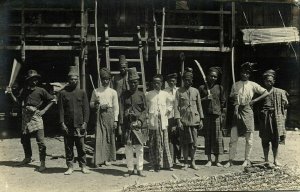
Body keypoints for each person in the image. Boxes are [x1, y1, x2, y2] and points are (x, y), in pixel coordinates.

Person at [6, 69, 56, 172]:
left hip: (36, 117)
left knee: (41, 141)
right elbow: (18, 102)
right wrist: (11, 93)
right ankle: (28, 158)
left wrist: (44, 110)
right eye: (32, 79)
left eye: (36, 79)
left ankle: (42, 163)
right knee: (24, 139)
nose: (34, 81)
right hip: (25, 117)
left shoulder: (41, 90)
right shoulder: (23, 90)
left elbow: (53, 99)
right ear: (28, 80)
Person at [224, 62, 269, 168]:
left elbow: (266, 92)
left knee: (249, 137)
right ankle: (230, 160)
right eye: (243, 72)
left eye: (247, 73)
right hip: (237, 110)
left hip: (248, 110)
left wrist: (255, 100)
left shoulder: (253, 84)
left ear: (249, 74)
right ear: (240, 73)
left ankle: (247, 160)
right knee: (233, 137)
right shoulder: (235, 84)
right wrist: (233, 97)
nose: (245, 75)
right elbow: (230, 98)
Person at [58, 66, 90, 175]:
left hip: (80, 125)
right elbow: (61, 110)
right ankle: (70, 166)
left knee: (81, 147)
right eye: (72, 79)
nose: (74, 81)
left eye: (76, 79)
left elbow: (86, 109)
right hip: (68, 125)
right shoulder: (63, 93)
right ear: (68, 80)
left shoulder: (82, 93)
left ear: (78, 80)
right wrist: (62, 123)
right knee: (68, 147)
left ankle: (83, 166)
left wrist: (85, 123)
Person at [119, 67, 147, 177]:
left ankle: (140, 169)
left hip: (139, 126)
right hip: (127, 126)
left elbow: (145, 110)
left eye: (135, 82)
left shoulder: (141, 95)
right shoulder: (123, 95)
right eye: (131, 82)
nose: (133, 84)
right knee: (128, 148)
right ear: (128, 83)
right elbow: (120, 110)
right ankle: (130, 169)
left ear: (138, 82)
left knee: (139, 148)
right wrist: (121, 124)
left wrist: (140, 120)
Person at [174, 69, 204, 170]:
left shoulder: (196, 91)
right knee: (185, 143)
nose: (188, 81)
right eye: (186, 80)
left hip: (194, 121)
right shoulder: (179, 91)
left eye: (189, 80)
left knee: (194, 144)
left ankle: (193, 162)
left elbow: (199, 106)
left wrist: (201, 119)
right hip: (184, 121)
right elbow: (176, 107)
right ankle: (186, 162)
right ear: (183, 80)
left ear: (192, 80)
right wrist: (178, 120)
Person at [258, 69, 288, 167]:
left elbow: (286, 104)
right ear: (264, 81)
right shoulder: (260, 92)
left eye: (271, 81)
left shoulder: (279, 92)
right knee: (265, 139)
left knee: (275, 139)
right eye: (267, 80)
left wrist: (282, 116)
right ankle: (266, 160)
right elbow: (256, 106)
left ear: (274, 81)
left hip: (276, 118)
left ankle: (275, 160)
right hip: (265, 118)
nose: (269, 82)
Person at [90, 68, 119, 167]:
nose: (105, 81)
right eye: (103, 79)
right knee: (99, 137)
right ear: (101, 80)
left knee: (109, 137)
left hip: (110, 115)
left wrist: (115, 120)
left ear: (110, 79)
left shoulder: (113, 92)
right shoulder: (96, 91)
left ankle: (107, 159)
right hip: (99, 115)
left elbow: (116, 107)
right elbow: (91, 104)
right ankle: (99, 159)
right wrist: (96, 104)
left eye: (107, 79)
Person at [146, 74, 174, 172]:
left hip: (163, 121)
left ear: (161, 83)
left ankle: (167, 164)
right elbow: (146, 107)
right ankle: (154, 165)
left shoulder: (165, 94)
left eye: (158, 83)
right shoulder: (148, 94)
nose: (156, 85)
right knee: (154, 143)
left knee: (164, 142)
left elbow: (171, 104)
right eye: (154, 83)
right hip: (153, 121)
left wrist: (166, 112)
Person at [199, 67, 225, 167]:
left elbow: (223, 102)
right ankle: (209, 160)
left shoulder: (220, 87)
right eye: (211, 76)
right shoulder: (202, 88)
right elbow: (197, 102)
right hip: (207, 115)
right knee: (208, 138)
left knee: (218, 138)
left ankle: (217, 160)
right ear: (207, 76)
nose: (213, 78)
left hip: (217, 115)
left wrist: (222, 115)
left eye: (215, 76)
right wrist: (205, 98)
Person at [112, 55, 129, 150]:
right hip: (118, 102)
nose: (123, 69)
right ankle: (119, 141)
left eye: (124, 67)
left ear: (127, 67)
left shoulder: (130, 76)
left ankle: (126, 141)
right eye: (121, 67)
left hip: (127, 102)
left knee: (126, 120)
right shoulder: (115, 78)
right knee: (118, 120)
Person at [164, 73, 181, 164]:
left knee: (177, 138)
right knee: (169, 137)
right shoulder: (164, 91)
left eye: (173, 81)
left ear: (176, 81)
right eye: (170, 81)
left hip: (177, 117)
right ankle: (170, 157)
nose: (172, 82)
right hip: (168, 117)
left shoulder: (179, 90)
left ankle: (177, 157)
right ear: (167, 82)